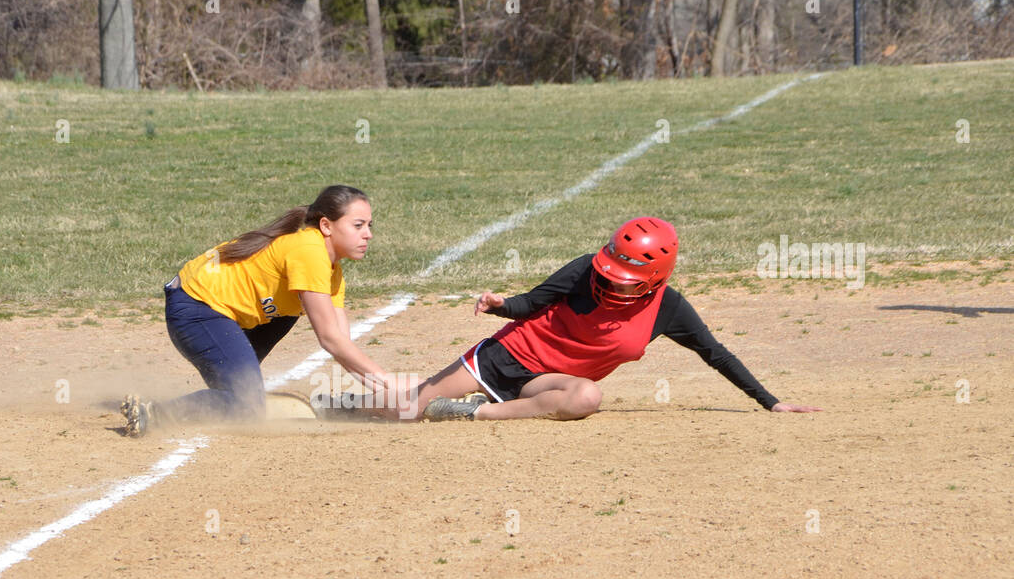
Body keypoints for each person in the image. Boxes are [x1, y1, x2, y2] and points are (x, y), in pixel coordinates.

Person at [405, 216, 822, 421]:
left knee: (587, 399)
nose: (609, 281)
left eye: (623, 279)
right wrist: (500, 306)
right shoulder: (586, 269)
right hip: (504, 356)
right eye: (608, 270)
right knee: (410, 408)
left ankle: (473, 414)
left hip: (551, 383)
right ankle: (344, 406)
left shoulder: (668, 308)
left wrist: (771, 402)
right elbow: (532, 303)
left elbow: (715, 353)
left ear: (655, 278)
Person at [121, 185, 397, 436]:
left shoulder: (332, 272)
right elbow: (330, 339)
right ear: (326, 225)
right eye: (358, 225)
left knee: (242, 393)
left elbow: (341, 344)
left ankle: (231, 395)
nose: (368, 234)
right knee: (246, 404)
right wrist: (390, 384)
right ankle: (157, 413)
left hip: (219, 312)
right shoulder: (309, 251)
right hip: (197, 307)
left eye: (370, 225)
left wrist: (382, 391)